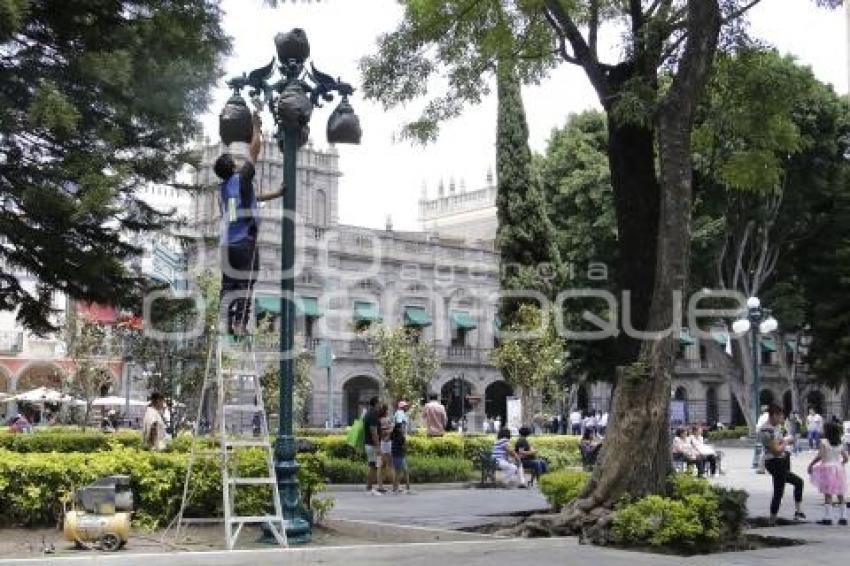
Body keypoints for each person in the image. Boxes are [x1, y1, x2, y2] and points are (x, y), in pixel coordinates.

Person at [215, 111, 262, 337]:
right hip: (245, 243)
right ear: (233, 167)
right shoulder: (242, 178)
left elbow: (249, 201)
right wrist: (256, 127)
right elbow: (254, 150)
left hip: (227, 244)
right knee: (246, 283)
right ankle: (240, 324)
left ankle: (225, 322)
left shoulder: (224, 189)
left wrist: (275, 194)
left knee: (228, 285)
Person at [761, 404, 805, 525]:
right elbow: (776, 450)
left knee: (796, 483)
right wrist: (786, 441)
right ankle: (772, 519)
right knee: (779, 491)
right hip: (774, 462)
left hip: (782, 460)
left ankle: (797, 511)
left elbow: (779, 444)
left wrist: (784, 441)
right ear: (774, 415)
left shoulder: (776, 427)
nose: (782, 420)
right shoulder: (766, 430)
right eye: (781, 417)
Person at [807, 421, 848, 525]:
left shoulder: (824, 442)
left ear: (827, 431)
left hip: (827, 468)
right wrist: (841, 464)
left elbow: (820, 455)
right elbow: (846, 458)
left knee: (828, 493)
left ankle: (828, 517)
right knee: (840, 493)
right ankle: (843, 517)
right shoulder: (840, 443)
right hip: (838, 468)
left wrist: (811, 464)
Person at [363, 396, 383, 495]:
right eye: (379, 403)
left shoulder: (368, 412)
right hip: (372, 444)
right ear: (375, 403)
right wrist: (378, 446)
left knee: (373, 466)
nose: (380, 405)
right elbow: (373, 431)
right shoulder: (373, 414)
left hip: (369, 444)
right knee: (373, 466)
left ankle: (369, 487)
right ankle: (369, 488)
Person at [391, 422, 411, 494]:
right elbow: (405, 447)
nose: (403, 429)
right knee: (403, 471)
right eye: (402, 427)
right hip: (400, 455)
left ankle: (396, 487)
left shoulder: (393, 435)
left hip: (394, 455)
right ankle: (400, 487)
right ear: (398, 428)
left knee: (398, 472)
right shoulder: (401, 437)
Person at [378, 403, 394, 492]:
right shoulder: (387, 420)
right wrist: (388, 432)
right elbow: (391, 429)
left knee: (382, 465)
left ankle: (381, 486)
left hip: (382, 443)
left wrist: (385, 432)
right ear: (386, 411)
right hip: (387, 443)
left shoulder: (378, 420)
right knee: (390, 465)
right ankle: (394, 486)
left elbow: (380, 432)